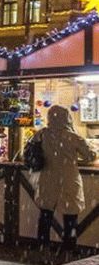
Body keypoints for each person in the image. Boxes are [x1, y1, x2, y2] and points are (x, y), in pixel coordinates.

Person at [30, 105, 97, 252]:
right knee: (70, 216)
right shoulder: (73, 137)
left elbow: (31, 154)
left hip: (47, 179)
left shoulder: (41, 134)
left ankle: (43, 247)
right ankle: (68, 249)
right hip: (68, 180)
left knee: (46, 214)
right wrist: (75, 159)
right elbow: (90, 156)